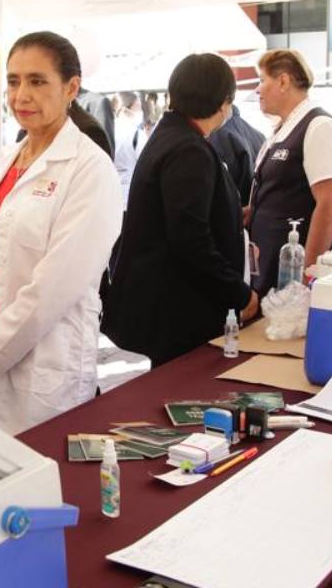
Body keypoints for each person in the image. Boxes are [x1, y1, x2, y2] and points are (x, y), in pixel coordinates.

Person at [0, 31, 121, 434]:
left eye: (37, 81)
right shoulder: (6, 161)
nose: (21, 96)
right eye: (13, 82)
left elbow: (54, 287)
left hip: (46, 370)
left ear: (71, 88)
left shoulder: (89, 169)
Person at [101, 54, 258, 367]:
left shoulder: (172, 135)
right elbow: (189, 238)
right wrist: (239, 293)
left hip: (164, 302)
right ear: (223, 101)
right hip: (176, 307)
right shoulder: (188, 148)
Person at [246, 49, 332, 296]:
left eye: (262, 80)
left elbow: (331, 203)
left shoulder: (319, 127)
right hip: (271, 265)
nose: (258, 90)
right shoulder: (281, 131)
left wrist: (306, 277)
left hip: (295, 275)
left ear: (283, 81)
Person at [209, 102, 265, 211]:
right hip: (253, 214)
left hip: (233, 215)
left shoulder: (218, 134)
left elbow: (219, 191)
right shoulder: (259, 135)